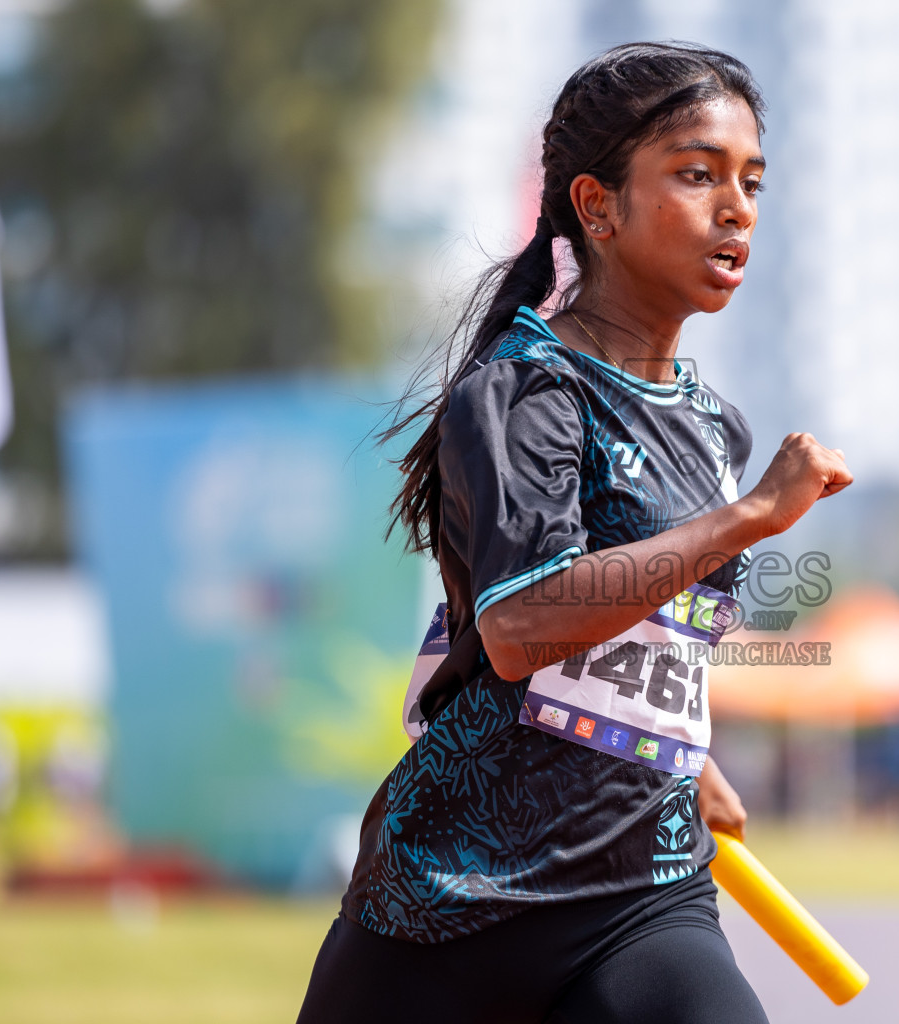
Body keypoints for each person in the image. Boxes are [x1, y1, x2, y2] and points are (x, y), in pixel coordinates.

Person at [296, 41, 853, 1024]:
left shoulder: (714, 423)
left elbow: (650, 632)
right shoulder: (522, 392)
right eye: (695, 174)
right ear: (597, 206)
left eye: (750, 181)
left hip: (645, 894)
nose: (737, 209)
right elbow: (523, 625)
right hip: (456, 899)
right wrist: (753, 516)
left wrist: (680, 753)